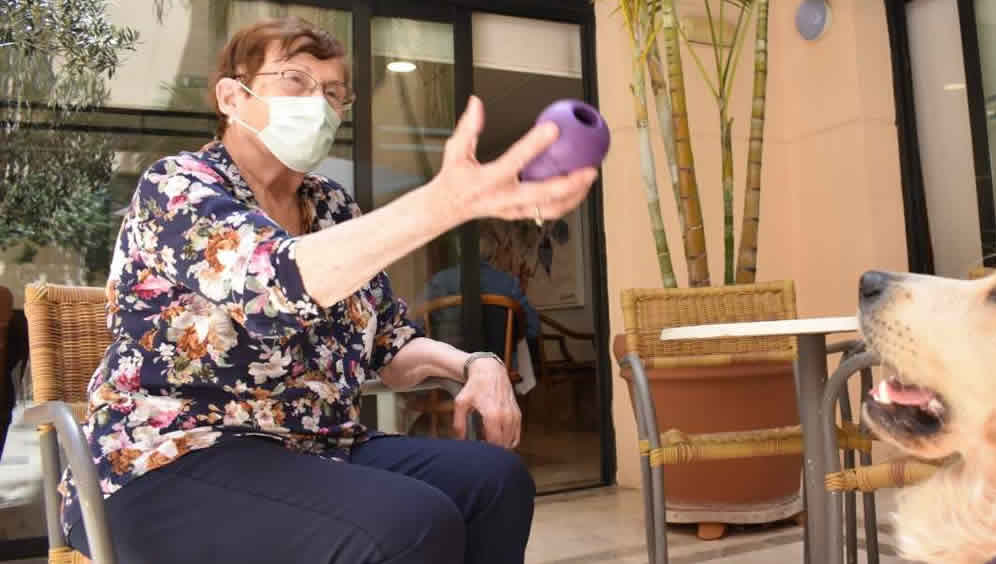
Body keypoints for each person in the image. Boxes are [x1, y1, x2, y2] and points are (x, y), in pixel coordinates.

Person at [58, 16, 596, 564]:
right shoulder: (177, 186)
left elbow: (390, 345)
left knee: (496, 481)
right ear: (232, 97)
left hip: (316, 447)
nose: (318, 103)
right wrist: (443, 205)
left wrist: (476, 363)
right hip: (168, 458)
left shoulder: (333, 206)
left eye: (334, 93)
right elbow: (275, 284)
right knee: (409, 523)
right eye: (295, 80)